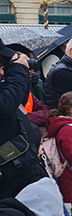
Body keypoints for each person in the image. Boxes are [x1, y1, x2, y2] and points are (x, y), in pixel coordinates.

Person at [0, 43, 49, 200]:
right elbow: (6, 104)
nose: (3, 70)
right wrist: (17, 70)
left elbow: (18, 102)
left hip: (19, 167)